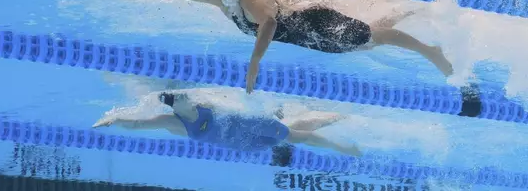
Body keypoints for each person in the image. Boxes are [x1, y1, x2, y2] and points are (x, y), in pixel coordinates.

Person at [123, 0, 454, 93]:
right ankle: (411, 8)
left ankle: (431, 52)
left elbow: (269, 22)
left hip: (313, 23)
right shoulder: (222, 0)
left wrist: (254, 64)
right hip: (306, 37)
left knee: (374, 37)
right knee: (367, 41)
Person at [93, 89, 361, 157]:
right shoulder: (173, 122)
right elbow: (139, 126)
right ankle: (338, 115)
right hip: (243, 144)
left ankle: (342, 146)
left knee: (294, 136)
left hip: (252, 125)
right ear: (176, 105)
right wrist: (115, 119)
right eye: (183, 96)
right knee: (296, 130)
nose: (189, 95)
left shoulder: (203, 103)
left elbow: (235, 102)